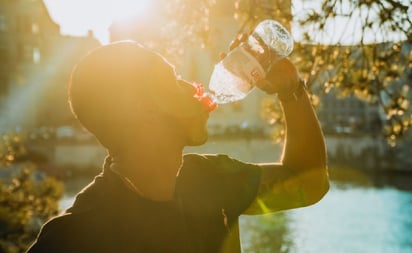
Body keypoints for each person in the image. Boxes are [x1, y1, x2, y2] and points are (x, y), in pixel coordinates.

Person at [26, 40, 329, 253]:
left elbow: (309, 180)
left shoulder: (211, 178)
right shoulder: (72, 238)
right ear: (145, 109)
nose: (193, 87)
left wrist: (290, 90)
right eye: (173, 80)